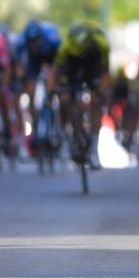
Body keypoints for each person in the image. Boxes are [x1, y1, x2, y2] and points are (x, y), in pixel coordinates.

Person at [53, 22, 110, 170]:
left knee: (97, 102)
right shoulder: (64, 48)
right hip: (71, 65)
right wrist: (54, 91)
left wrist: (101, 92)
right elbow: (56, 71)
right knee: (65, 98)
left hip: (93, 63)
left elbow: (105, 72)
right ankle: (66, 135)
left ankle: (94, 148)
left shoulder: (102, 44)